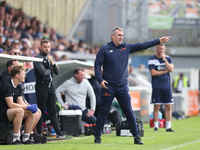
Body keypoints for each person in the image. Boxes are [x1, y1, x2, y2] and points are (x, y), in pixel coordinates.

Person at [94, 27, 172, 144]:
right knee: (104, 111)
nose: (121, 37)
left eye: (122, 35)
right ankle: (97, 136)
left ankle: (136, 137)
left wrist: (158, 41)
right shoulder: (105, 49)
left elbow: (142, 45)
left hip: (122, 86)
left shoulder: (126, 47)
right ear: (112, 36)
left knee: (129, 111)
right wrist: (100, 80)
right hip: (108, 86)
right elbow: (97, 65)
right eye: (119, 35)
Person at [33, 39, 65, 138]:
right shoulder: (37, 58)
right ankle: (39, 132)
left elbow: (57, 71)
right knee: (41, 110)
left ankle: (58, 133)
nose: (47, 49)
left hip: (51, 87)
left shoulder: (51, 58)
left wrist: (52, 63)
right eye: (45, 47)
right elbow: (43, 72)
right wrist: (50, 67)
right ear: (40, 47)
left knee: (53, 110)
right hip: (41, 86)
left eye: (48, 47)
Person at [0, 66, 38, 144]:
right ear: (17, 76)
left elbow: (20, 102)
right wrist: (27, 106)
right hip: (2, 112)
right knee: (20, 111)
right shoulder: (7, 83)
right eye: (23, 74)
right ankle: (15, 139)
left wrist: (30, 107)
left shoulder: (19, 86)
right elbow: (10, 104)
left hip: (9, 112)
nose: (25, 76)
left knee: (31, 112)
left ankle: (26, 138)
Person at [148, 44, 175, 132]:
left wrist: (165, 60)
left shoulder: (168, 58)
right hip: (157, 86)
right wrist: (164, 71)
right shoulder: (152, 59)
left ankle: (168, 126)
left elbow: (171, 69)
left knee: (168, 106)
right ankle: (156, 126)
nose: (161, 50)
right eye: (160, 48)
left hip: (166, 86)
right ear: (156, 49)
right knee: (156, 106)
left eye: (162, 49)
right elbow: (153, 73)